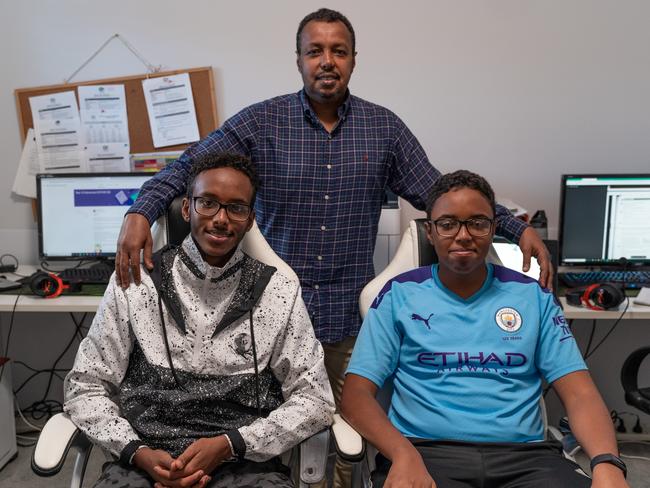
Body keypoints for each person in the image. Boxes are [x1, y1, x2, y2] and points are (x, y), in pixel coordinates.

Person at [115, 7, 551, 486]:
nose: (327, 61)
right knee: (265, 447)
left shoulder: (383, 129)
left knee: (346, 445)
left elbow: (439, 193)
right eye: (315, 50)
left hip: (346, 320)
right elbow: (190, 166)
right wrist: (142, 211)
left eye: (338, 51)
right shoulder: (262, 122)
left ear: (354, 59)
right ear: (299, 60)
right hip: (267, 319)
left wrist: (514, 227)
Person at [341, 170, 629, 488]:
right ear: (430, 233)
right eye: (448, 223)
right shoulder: (398, 296)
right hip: (425, 455)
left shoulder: (533, 297)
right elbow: (356, 396)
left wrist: (607, 464)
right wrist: (402, 454)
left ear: (493, 229)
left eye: (477, 223)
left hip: (528, 460)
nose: (463, 235)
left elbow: (580, 394)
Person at [64, 153, 335, 488]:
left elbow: (315, 399)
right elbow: (85, 386)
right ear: (186, 208)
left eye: (236, 207)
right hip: (145, 460)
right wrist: (137, 451)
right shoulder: (137, 282)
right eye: (208, 202)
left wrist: (231, 444)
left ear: (250, 219)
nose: (221, 218)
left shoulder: (277, 289)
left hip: (244, 461)